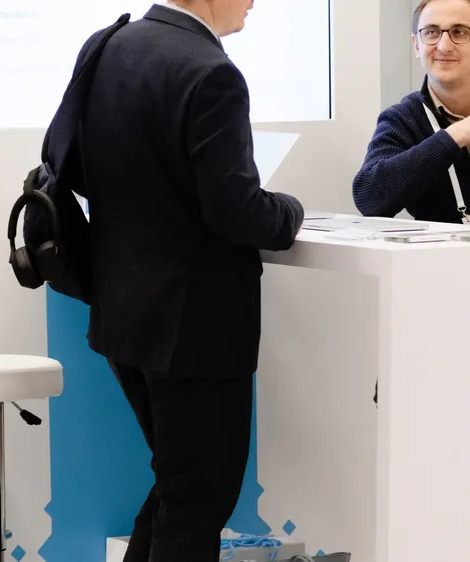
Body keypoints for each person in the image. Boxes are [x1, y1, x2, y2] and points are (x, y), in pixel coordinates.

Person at [77, 1, 304, 560]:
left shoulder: (108, 45)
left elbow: (73, 166)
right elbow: (237, 212)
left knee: (178, 487)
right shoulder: (211, 71)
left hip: (123, 316)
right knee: (196, 501)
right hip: (194, 328)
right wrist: (289, 210)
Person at [352, 0, 470, 225]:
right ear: (416, 45)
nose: (444, 46)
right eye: (431, 32)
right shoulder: (403, 118)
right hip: (444, 247)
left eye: (459, 32)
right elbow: (369, 198)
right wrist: (454, 136)